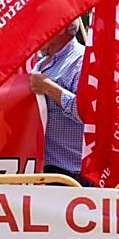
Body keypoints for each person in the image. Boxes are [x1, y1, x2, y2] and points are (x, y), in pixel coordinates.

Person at [29, 20, 87, 183]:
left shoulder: (82, 61)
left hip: (70, 173)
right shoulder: (40, 63)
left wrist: (48, 88)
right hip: (42, 168)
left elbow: (85, 112)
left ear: (63, 27)